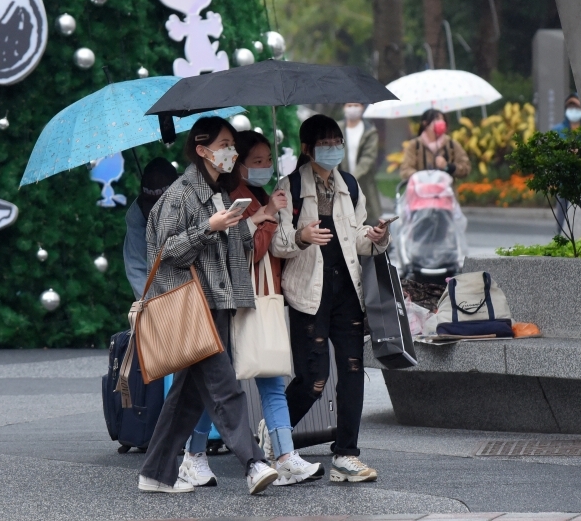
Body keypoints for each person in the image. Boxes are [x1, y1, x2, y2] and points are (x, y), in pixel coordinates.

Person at [138, 117, 279, 496]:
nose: (231, 152)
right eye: (224, 144)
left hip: (216, 303)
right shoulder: (181, 194)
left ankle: (155, 473)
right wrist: (208, 228)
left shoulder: (221, 191)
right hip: (190, 306)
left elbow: (232, 251)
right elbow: (165, 251)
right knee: (224, 386)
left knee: (185, 398)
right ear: (202, 150)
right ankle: (254, 462)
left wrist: (251, 224)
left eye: (233, 144)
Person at [179, 131, 324, 488]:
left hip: (263, 299)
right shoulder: (232, 198)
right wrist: (267, 215)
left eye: (267, 161)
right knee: (220, 384)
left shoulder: (260, 194)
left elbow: (276, 249)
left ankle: (286, 456)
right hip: (238, 301)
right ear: (240, 164)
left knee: (271, 379)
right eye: (255, 161)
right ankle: (193, 455)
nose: (264, 167)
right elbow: (247, 252)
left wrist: (285, 222)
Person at [270, 115, 392, 483]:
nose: (333, 147)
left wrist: (376, 236)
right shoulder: (288, 186)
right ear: (308, 148)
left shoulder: (350, 186)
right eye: (325, 142)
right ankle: (274, 432)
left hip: (346, 291)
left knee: (354, 371)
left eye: (337, 141)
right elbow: (277, 243)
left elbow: (357, 240)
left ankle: (346, 456)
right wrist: (303, 236)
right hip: (308, 293)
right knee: (314, 378)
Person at [123, 157, 179, 299]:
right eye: (153, 207)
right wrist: (150, 304)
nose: (157, 214)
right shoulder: (137, 214)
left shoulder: (193, 198)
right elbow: (135, 265)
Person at [338, 103, 383, 225]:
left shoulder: (370, 131)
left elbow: (368, 158)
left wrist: (352, 178)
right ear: (344, 107)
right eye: (349, 105)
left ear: (362, 107)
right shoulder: (337, 129)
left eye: (356, 105)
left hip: (364, 184)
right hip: (340, 183)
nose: (353, 108)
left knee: (367, 223)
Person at [399, 108, 470, 180]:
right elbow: (405, 170)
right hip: (422, 190)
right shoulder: (414, 145)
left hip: (446, 190)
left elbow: (465, 168)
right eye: (437, 119)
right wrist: (423, 178)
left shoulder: (451, 144)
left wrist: (447, 166)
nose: (441, 122)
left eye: (442, 120)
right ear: (425, 123)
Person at [550, 94, 581, 233]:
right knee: (562, 217)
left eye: (576, 106)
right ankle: (560, 242)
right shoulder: (558, 130)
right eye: (570, 107)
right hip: (564, 181)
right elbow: (551, 154)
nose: (573, 110)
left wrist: (580, 153)